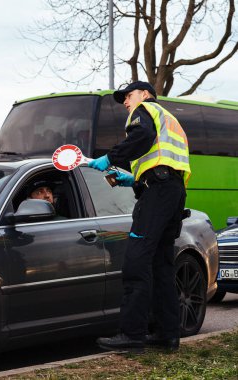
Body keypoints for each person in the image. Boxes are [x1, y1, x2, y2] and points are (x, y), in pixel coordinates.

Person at [88, 81, 191, 352]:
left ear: (144, 94)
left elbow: (141, 136)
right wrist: (133, 180)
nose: (125, 102)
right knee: (161, 266)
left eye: (128, 96)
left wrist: (111, 157)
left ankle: (131, 334)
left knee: (136, 261)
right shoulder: (169, 118)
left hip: (158, 193)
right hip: (173, 190)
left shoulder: (144, 109)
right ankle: (167, 335)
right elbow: (161, 160)